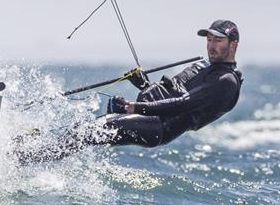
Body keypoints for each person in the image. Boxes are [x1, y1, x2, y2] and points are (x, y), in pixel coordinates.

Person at [15, 19, 243, 164]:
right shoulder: (203, 67)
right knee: (85, 129)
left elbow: (183, 104)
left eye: (218, 41)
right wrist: (145, 85)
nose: (211, 45)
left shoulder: (226, 81)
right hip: (151, 117)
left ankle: (25, 157)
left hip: (159, 128)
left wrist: (133, 107)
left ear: (233, 45)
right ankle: (32, 148)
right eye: (209, 39)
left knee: (91, 131)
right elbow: (169, 95)